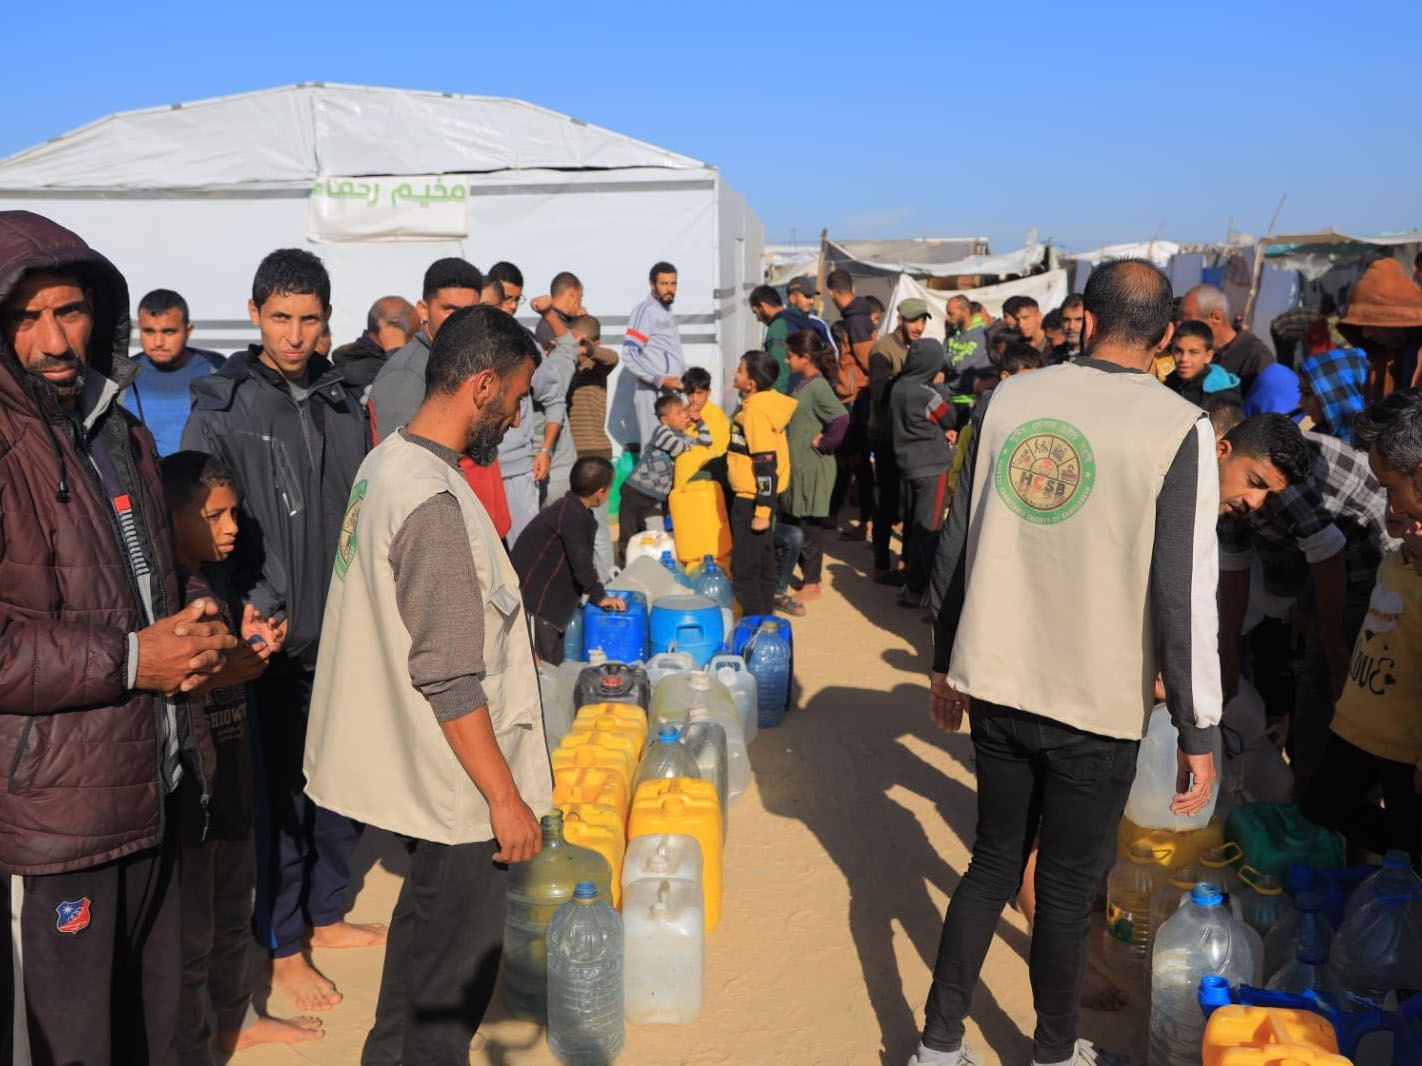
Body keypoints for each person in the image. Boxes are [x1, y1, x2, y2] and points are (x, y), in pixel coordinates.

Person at [917, 259, 1225, 1066]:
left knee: (989, 862)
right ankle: (1055, 1052)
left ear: (1082, 317)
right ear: (1164, 338)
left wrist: (944, 663)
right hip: (1098, 698)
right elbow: (1183, 590)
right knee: (1060, 890)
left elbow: (959, 533)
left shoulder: (1009, 397)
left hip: (1000, 680)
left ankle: (937, 1046)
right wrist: (1199, 727)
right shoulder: (1176, 426)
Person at [0, 210, 236, 1065]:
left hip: (159, 779)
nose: (54, 339)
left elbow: (154, 566)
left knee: (162, 1024)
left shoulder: (119, 429)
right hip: (64, 811)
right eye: (27, 319)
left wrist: (197, 612)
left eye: (68, 312)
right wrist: (137, 657)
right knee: (74, 1043)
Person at [303, 304, 554, 1064]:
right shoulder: (434, 504)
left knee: (416, 969)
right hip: (462, 798)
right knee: (444, 1002)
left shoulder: (388, 461)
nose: (516, 418)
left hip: (427, 781)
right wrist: (505, 800)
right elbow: (449, 676)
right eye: (513, 398)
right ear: (481, 387)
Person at [181, 248, 379, 1014]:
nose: (295, 336)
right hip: (264, 641)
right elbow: (200, 524)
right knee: (277, 803)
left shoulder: (338, 400)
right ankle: (282, 945)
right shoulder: (224, 405)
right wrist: (242, 612)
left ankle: (326, 915)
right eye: (280, 318)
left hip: (340, 632)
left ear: (328, 322)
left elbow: (357, 512)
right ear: (256, 315)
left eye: (309, 320)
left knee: (339, 785)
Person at [160, 451, 318, 1061]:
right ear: (173, 516)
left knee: (232, 920)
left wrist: (252, 645)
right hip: (193, 798)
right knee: (194, 940)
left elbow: (226, 660)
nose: (230, 527)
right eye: (215, 514)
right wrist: (233, 666)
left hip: (232, 783)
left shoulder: (218, 578)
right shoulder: (171, 589)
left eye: (234, 514)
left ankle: (234, 1026)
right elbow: (182, 675)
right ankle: (198, 1047)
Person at [1217, 405, 1393, 795]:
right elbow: (1234, 566)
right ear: (1220, 451)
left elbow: (1329, 559)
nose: (1255, 501)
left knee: (1329, 684)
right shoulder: (1242, 484)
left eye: (1265, 490)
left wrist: (1333, 648)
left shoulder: (1282, 479)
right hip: (1319, 572)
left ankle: (1320, 812)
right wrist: (1227, 649)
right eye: (1253, 483)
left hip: (1373, 566)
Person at [1299, 511, 1422, 864]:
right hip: (1354, 728)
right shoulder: (1391, 565)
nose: (1396, 513)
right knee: (1317, 807)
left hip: (1404, 747)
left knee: (1408, 846)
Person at [368, 257, 513, 542]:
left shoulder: (466, 362)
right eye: (449, 309)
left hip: (482, 537)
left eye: (469, 312)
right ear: (423, 310)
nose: (460, 321)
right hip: (448, 544)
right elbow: (402, 484)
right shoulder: (406, 377)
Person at [513, 457, 626, 663]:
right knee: (544, 666)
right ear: (601, 493)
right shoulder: (572, 516)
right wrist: (600, 596)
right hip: (539, 604)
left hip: (540, 600)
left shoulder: (570, 508)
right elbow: (581, 563)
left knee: (552, 661)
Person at [486, 260, 566, 541]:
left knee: (524, 559)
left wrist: (545, 450)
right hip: (476, 471)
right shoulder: (465, 343)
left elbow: (555, 400)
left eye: (515, 300)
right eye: (504, 299)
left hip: (519, 473)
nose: (509, 307)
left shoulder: (526, 344)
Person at [775, 330, 849, 613]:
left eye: (791, 355)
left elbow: (841, 418)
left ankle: (812, 582)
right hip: (800, 468)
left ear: (805, 358)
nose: (786, 359)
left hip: (813, 468)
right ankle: (806, 576)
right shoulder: (804, 382)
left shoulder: (817, 387)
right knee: (797, 522)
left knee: (810, 528)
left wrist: (826, 442)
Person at [728, 349, 797, 617]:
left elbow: (766, 464)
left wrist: (762, 511)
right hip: (756, 500)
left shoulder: (756, 412)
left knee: (746, 572)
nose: (735, 372)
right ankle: (766, 620)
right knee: (763, 566)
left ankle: (755, 628)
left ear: (751, 383)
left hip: (752, 502)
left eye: (740, 370)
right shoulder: (760, 405)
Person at [890, 336, 957, 609]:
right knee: (928, 530)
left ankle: (911, 578)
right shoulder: (927, 393)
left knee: (914, 523)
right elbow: (949, 417)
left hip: (907, 465)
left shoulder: (898, 387)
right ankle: (920, 589)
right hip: (933, 467)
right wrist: (940, 385)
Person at [868, 298, 931, 584]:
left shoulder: (916, 347)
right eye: (913, 320)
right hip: (886, 435)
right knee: (889, 501)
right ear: (900, 320)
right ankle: (881, 563)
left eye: (922, 320)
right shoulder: (883, 349)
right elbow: (878, 393)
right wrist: (909, 383)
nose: (919, 326)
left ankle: (905, 563)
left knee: (909, 503)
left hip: (909, 437)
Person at [126, 288, 225, 455]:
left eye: (169, 331)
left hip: (202, 478)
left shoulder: (216, 370)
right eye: (149, 331)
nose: (158, 342)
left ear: (188, 330)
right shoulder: (123, 376)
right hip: (140, 480)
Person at [617, 392, 711, 562]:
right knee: (628, 535)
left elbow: (706, 440)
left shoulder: (683, 436)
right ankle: (626, 568)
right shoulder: (662, 432)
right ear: (665, 420)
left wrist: (699, 421)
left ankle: (657, 568)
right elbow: (677, 448)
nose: (685, 416)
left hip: (654, 498)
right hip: (635, 492)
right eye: (679, 413)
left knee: (659, 535)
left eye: (684, 411)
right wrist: (690, 444)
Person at [1337, 256, 1422, 400]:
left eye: (1371, 324)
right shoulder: (1383, 363)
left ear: (1396, 318)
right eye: (1361, 327)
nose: (1366, 334)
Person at [623, 260, 684, 446]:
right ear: (653, 285)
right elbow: (629, 354)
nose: (670, 289)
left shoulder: (667, 311)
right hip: (652, 392)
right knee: (653, 447)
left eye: (673, 283)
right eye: (664, 284)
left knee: (672, 445)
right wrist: (658, 378)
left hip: (670, 391)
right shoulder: (645, 311)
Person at [1180, 283, 1275, 393]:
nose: (1180, 327)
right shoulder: (1186, 352)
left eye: (1186, 321)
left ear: (1216, 318)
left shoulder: (1255, 356)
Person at [331, 295, 417, 397]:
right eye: (414, 335)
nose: (416, 343)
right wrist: (396, 352)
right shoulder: (362, 368)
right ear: (393, 327)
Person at [1297, 345, 1368, 444]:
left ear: (1336, 393)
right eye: (1301, 392)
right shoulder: (1316, 436)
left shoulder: (1364, 446)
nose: (1301, 403)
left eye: (1308, 393)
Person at [1165, 319, 1243, 408]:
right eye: (1178, 351)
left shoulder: (1222, 397)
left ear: (1209, 356)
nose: (1184, 359)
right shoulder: (1168, 384)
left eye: (1193, 352)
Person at [676, 365, 731, 487]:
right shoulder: (683, 412)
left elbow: (718, 452)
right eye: (690, 393)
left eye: (699, 393)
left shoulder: (715, 415)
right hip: (681, 480)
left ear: (709, 392)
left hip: (702, 484)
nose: (694, 399)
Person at [944, 294, 992, 404]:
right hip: (949, 398)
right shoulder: (953, 333)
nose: (947, 317)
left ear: (965, 311)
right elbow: (942, 358)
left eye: (951, 313)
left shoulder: (981, 334)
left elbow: (959, 365)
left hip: (970, 400)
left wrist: (944, 361)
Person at [750, 283, 794, 392]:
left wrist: (776, 396)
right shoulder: (792, 318)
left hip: (787, 395)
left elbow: (779, 368)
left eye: (756, 312)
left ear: (763, 306)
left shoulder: (776, 328)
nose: (758, 319)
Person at [533, 270, 584, 350]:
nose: (581, 304)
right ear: (572, 294)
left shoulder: (562, 321)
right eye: (580, 297)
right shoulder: (550, 324)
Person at [786, 275, 837, 354]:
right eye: (807, 296)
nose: (812, 301)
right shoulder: (779, 323)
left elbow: (833, 353)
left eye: (812, 297)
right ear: (792, 298)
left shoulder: (818, 324)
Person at [1055, 293, 1085, 362]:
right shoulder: (1053, 356)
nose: (1071, 326)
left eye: (1078, 319)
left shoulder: (1098, 354)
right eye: (1066, 320)